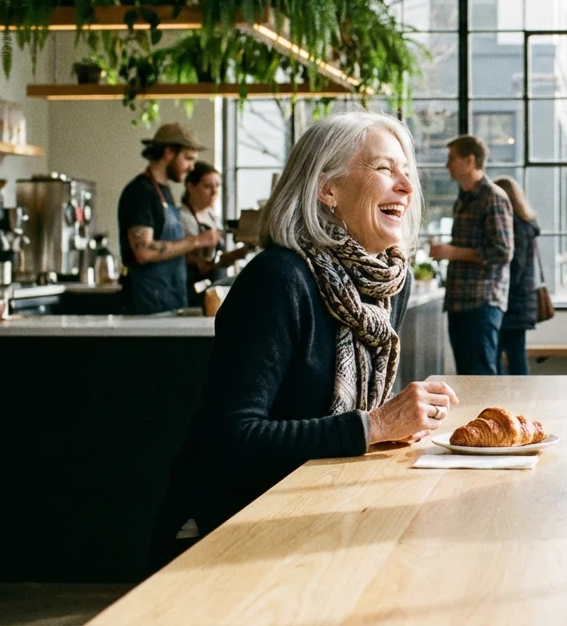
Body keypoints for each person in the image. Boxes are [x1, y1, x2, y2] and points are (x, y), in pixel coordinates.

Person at [151, 112, 459, 567]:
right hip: (229, 534)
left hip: (322, 511)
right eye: (384, 169)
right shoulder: (278, 280)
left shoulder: (387, 284)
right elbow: (229, 441)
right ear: (327, 189)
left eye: (407, 173)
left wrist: (390, 426)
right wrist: (373, 426)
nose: (407, 188)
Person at [429, 135, 513, 376]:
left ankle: (491, 416)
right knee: (467, 376)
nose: (447, 165)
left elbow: (502, 252)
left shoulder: (492, 197)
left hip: (481, 302)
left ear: (469, 160)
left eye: (451, 159)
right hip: (459, 301)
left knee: (481, 375)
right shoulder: (464, 199)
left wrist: (453, 252)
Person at [118, 123, 222, 314]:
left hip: (170, 301)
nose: (191, 167)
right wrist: (197, 240)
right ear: (168, 153)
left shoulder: (165, 192)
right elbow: (144, 252)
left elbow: (168, 250)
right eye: (188, 158)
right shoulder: (140, 192)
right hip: (146, 308)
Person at [180, 161, 250, 305]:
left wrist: (242, 251)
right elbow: (192, 261)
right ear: (190, 186)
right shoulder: (181, 218)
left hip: (214, 283)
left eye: (217, 186)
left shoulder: (212, 216)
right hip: (192, 288)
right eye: (207, 186)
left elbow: (216, 260)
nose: (214, 192)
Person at [495, 176, 541, 376]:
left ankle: (512, 399)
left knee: (509, 358)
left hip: (513, 305)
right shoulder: (525, 224)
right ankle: (518, 399)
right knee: (515, 356)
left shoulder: (515, 226)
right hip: (521, 304)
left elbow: (515, 267)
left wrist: (498, 286)